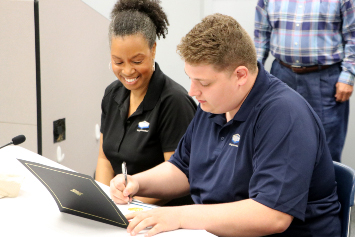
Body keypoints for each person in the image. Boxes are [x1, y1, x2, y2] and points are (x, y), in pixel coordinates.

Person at [110, 13, 341, 237]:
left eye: (203, 82)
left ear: (240, 75)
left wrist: (179, 216)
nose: (192, 91)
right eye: (190, 79)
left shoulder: (285, 115)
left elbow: (272, 215)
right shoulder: (213, 104)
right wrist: (137, 183)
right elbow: (183, 168)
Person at [95, 0, 197, 206]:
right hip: (121, 207)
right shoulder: (112, 94)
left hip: (160, 212)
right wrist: (104, 202)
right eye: (118, 61)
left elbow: (178, 176)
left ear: (153, 50)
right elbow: (105, 159)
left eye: (137, 61)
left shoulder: (174, 101)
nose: (127, 71)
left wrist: (127, 204)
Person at [254, 0, 355, 162]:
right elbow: (261, 37)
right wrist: (254, 76)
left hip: (325, 80)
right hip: (281, 75)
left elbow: (353, 37)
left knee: (326, 150)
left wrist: (348, 76)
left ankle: (325, 188)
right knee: (278, 141)